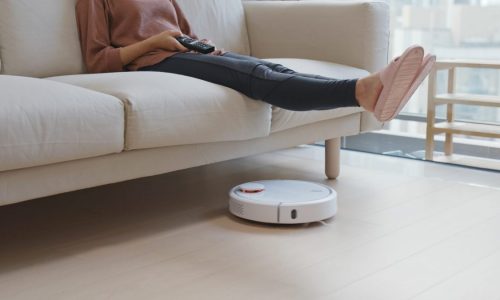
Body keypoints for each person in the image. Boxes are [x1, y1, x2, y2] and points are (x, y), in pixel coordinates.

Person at [75, 0, 436, 122]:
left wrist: (200, 44)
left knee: (272, 70)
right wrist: (153, 42)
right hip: (153, 62)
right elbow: (98, 61)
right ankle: (363, 91)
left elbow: (183, 32)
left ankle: (369, 91)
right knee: (257, 75)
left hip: (182, 53)